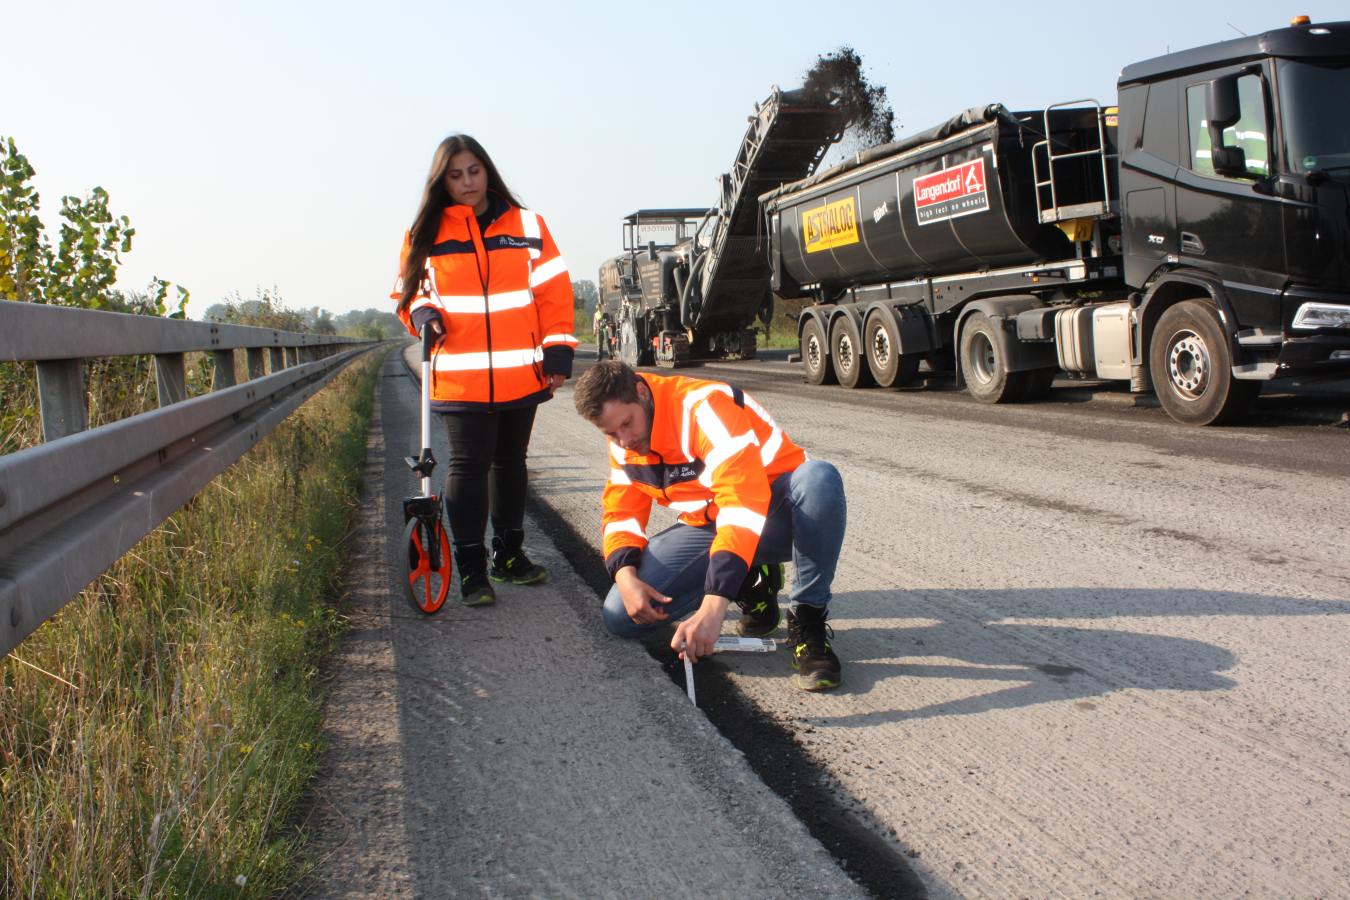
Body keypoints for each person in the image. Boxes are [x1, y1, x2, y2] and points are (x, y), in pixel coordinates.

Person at [572, 360, 846, 691]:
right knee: (620, 615)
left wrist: (714, 605)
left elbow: (741, 503)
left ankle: (808, 620)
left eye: (627, 424)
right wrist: (625, 577)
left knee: (819, 479)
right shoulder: (623, 438)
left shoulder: (703, 408)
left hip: (775, 514)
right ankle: (751, 579)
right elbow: (621, 511)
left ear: (641, 393)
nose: (624, 440)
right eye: (611, 433)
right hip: (711, 523)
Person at [393, 134, 576, 607]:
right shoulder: (424, 234)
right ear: (442, 181)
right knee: (468, 465)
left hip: (521, 370)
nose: (467, 182)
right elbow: (409, 292)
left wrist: (557, 352)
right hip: (461, 373)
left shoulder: (528, 225)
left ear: (487, 171)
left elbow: (553, 293)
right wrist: (422, 314)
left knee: (511, 462)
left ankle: (508, 556)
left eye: (473, 171)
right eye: (455, 175)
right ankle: (473, 569)